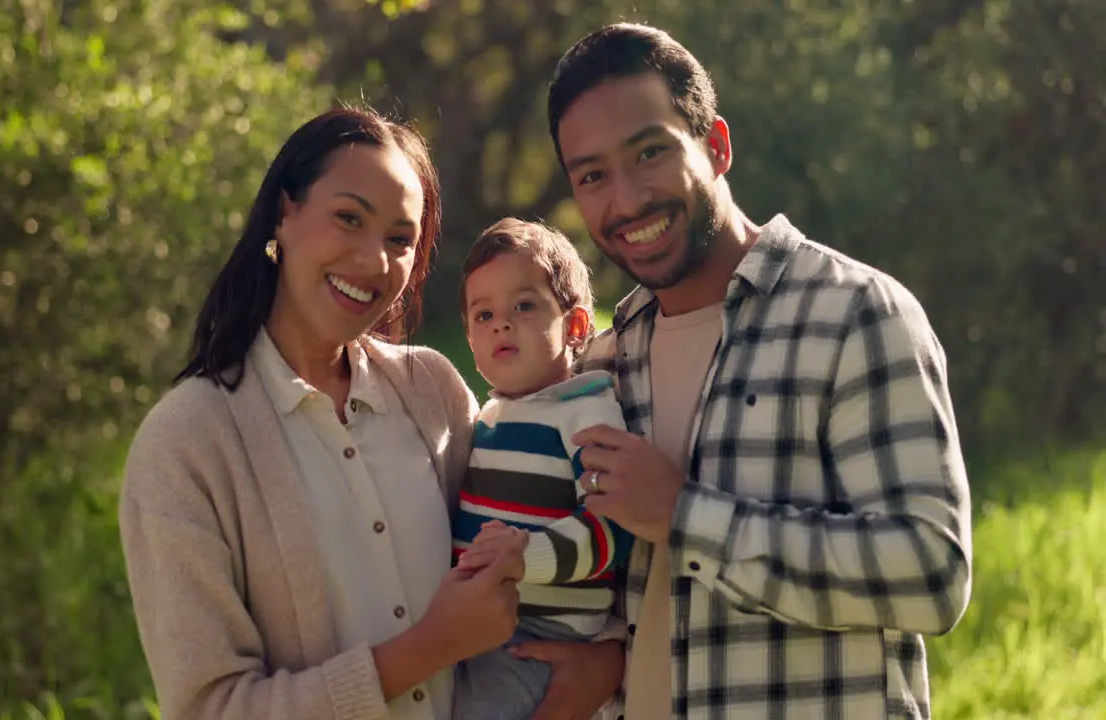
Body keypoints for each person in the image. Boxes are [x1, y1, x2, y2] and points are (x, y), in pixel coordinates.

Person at [117, 107, 621, 720]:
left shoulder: (429, 388)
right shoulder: (186, 443)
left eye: (399, 240)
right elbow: (211, 708)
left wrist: (606, 661)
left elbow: (553, 513)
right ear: (284, 212)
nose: (374, 261)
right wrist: (430, 647)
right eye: (349, 218)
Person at [546, 24, 974, 719]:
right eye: (592, 176)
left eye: (650, 152)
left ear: (715, 145)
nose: (625, 202)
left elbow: (932, 575)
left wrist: (684, 517)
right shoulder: (603, 361)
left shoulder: (855, 314)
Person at [448, 218, 633, 720]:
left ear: (574, 326)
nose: (501, 324)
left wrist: (525, 557)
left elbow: (614, 525)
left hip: (541, 637)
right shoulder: (489, 416)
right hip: (481, 627)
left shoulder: (583, 408)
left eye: (523, 306)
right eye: (483, 315)